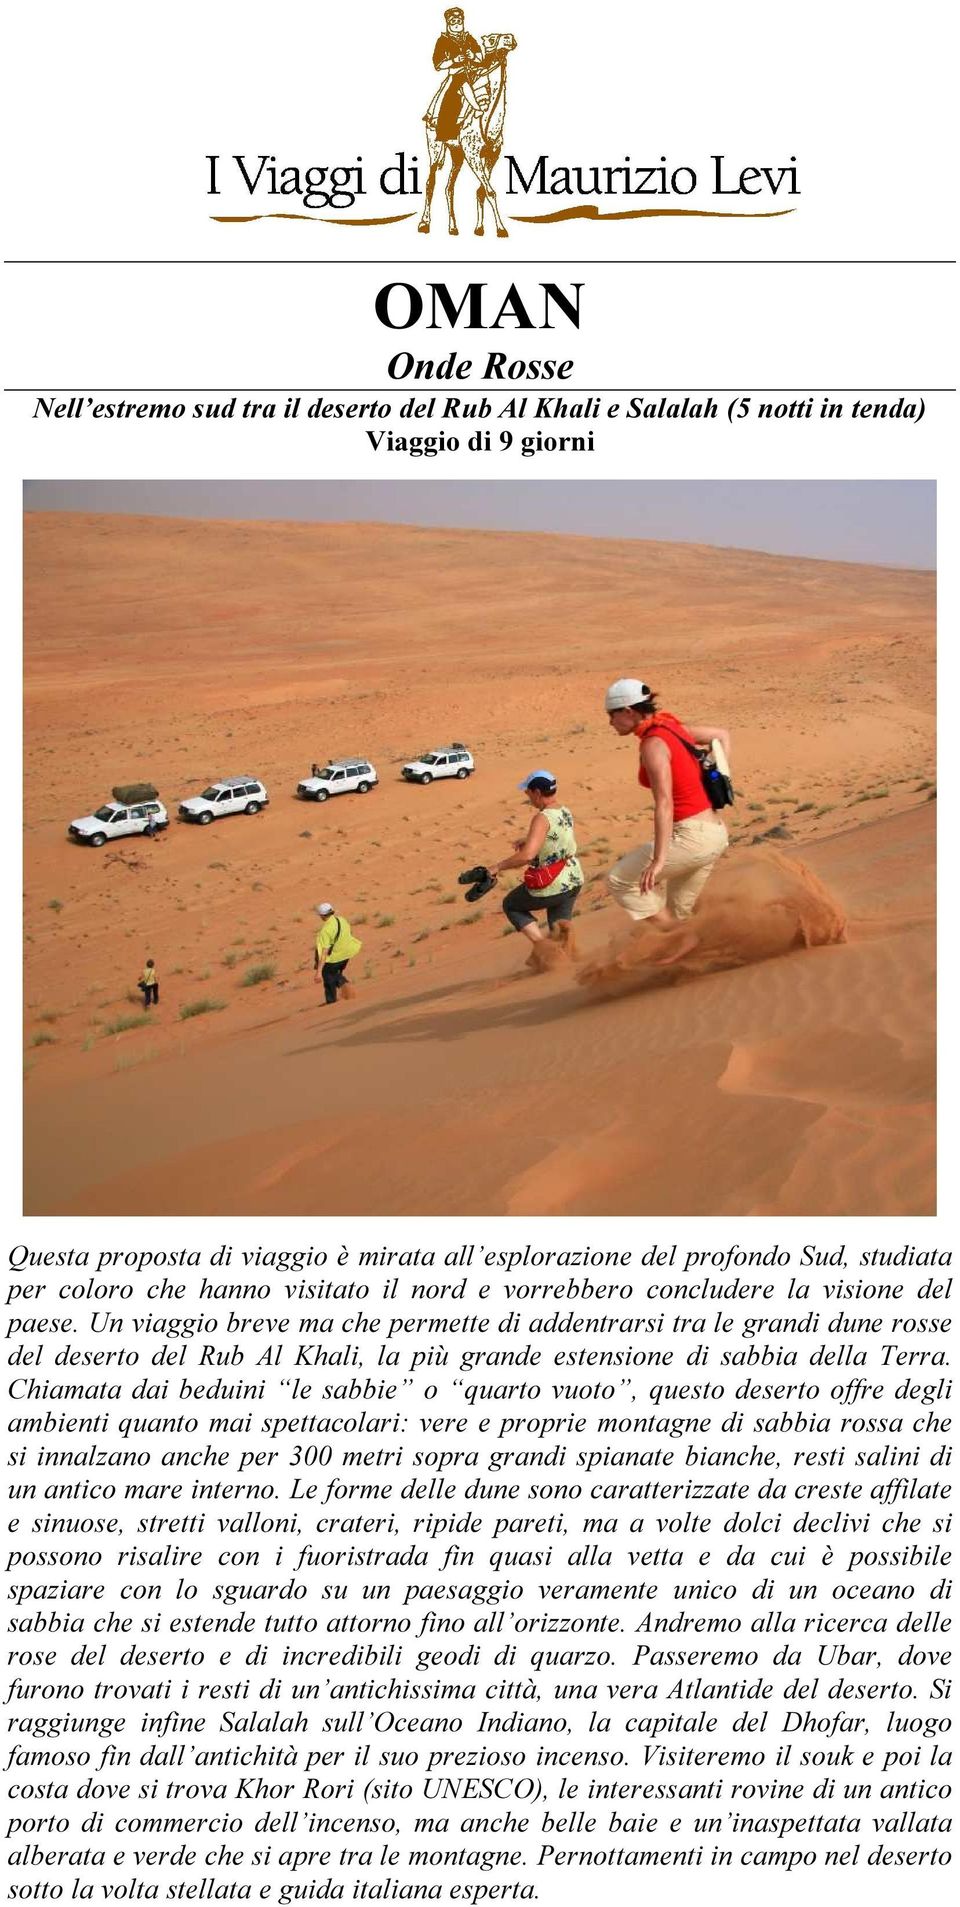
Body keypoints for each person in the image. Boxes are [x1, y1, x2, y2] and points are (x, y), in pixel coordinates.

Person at [603, 678, 731, 923]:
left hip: (692, 837)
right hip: (715, 834)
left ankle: (676, 939)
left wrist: (659, 859)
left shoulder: (653, 745)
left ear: (629, 711)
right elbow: (721, 736)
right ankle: (697, 949)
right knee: (676, 915)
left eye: (612, 715)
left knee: (618, 881)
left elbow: (664, 803)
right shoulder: (672, 726)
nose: (610, 722)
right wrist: (722, 775)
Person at [493, 770, 583, 954]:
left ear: (537, 793)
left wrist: (497, 867)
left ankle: (545, 948)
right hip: (572, 879)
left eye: (528, 792)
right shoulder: (564, 811)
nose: (527, 796)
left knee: (511, 904)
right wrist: (531, 841)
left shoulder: (542, 818)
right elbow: (559, 840)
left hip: (553, 883)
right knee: (559, 931)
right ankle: (566, 963)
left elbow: (526, 856)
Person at [426, 7, 483, 140]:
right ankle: (475, 108)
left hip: (473, 72)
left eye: (459, 21)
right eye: (453, 22)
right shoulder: (443, 41)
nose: (457, 24)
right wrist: (453, 60)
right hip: (457, 74)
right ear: (448, 23)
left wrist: (473, 55)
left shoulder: (469, 38)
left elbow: (480, 57)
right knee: (460, 84)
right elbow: (438, 65)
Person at [314, 902, 362, 1006]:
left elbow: (324, 952)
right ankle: (345, 987)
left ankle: (331, 1002)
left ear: (322, 916)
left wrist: (318, 971)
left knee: (328, 976)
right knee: (335, 974)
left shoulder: (325, 930)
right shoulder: (341, 920)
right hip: (347, 954)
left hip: (336, 957)